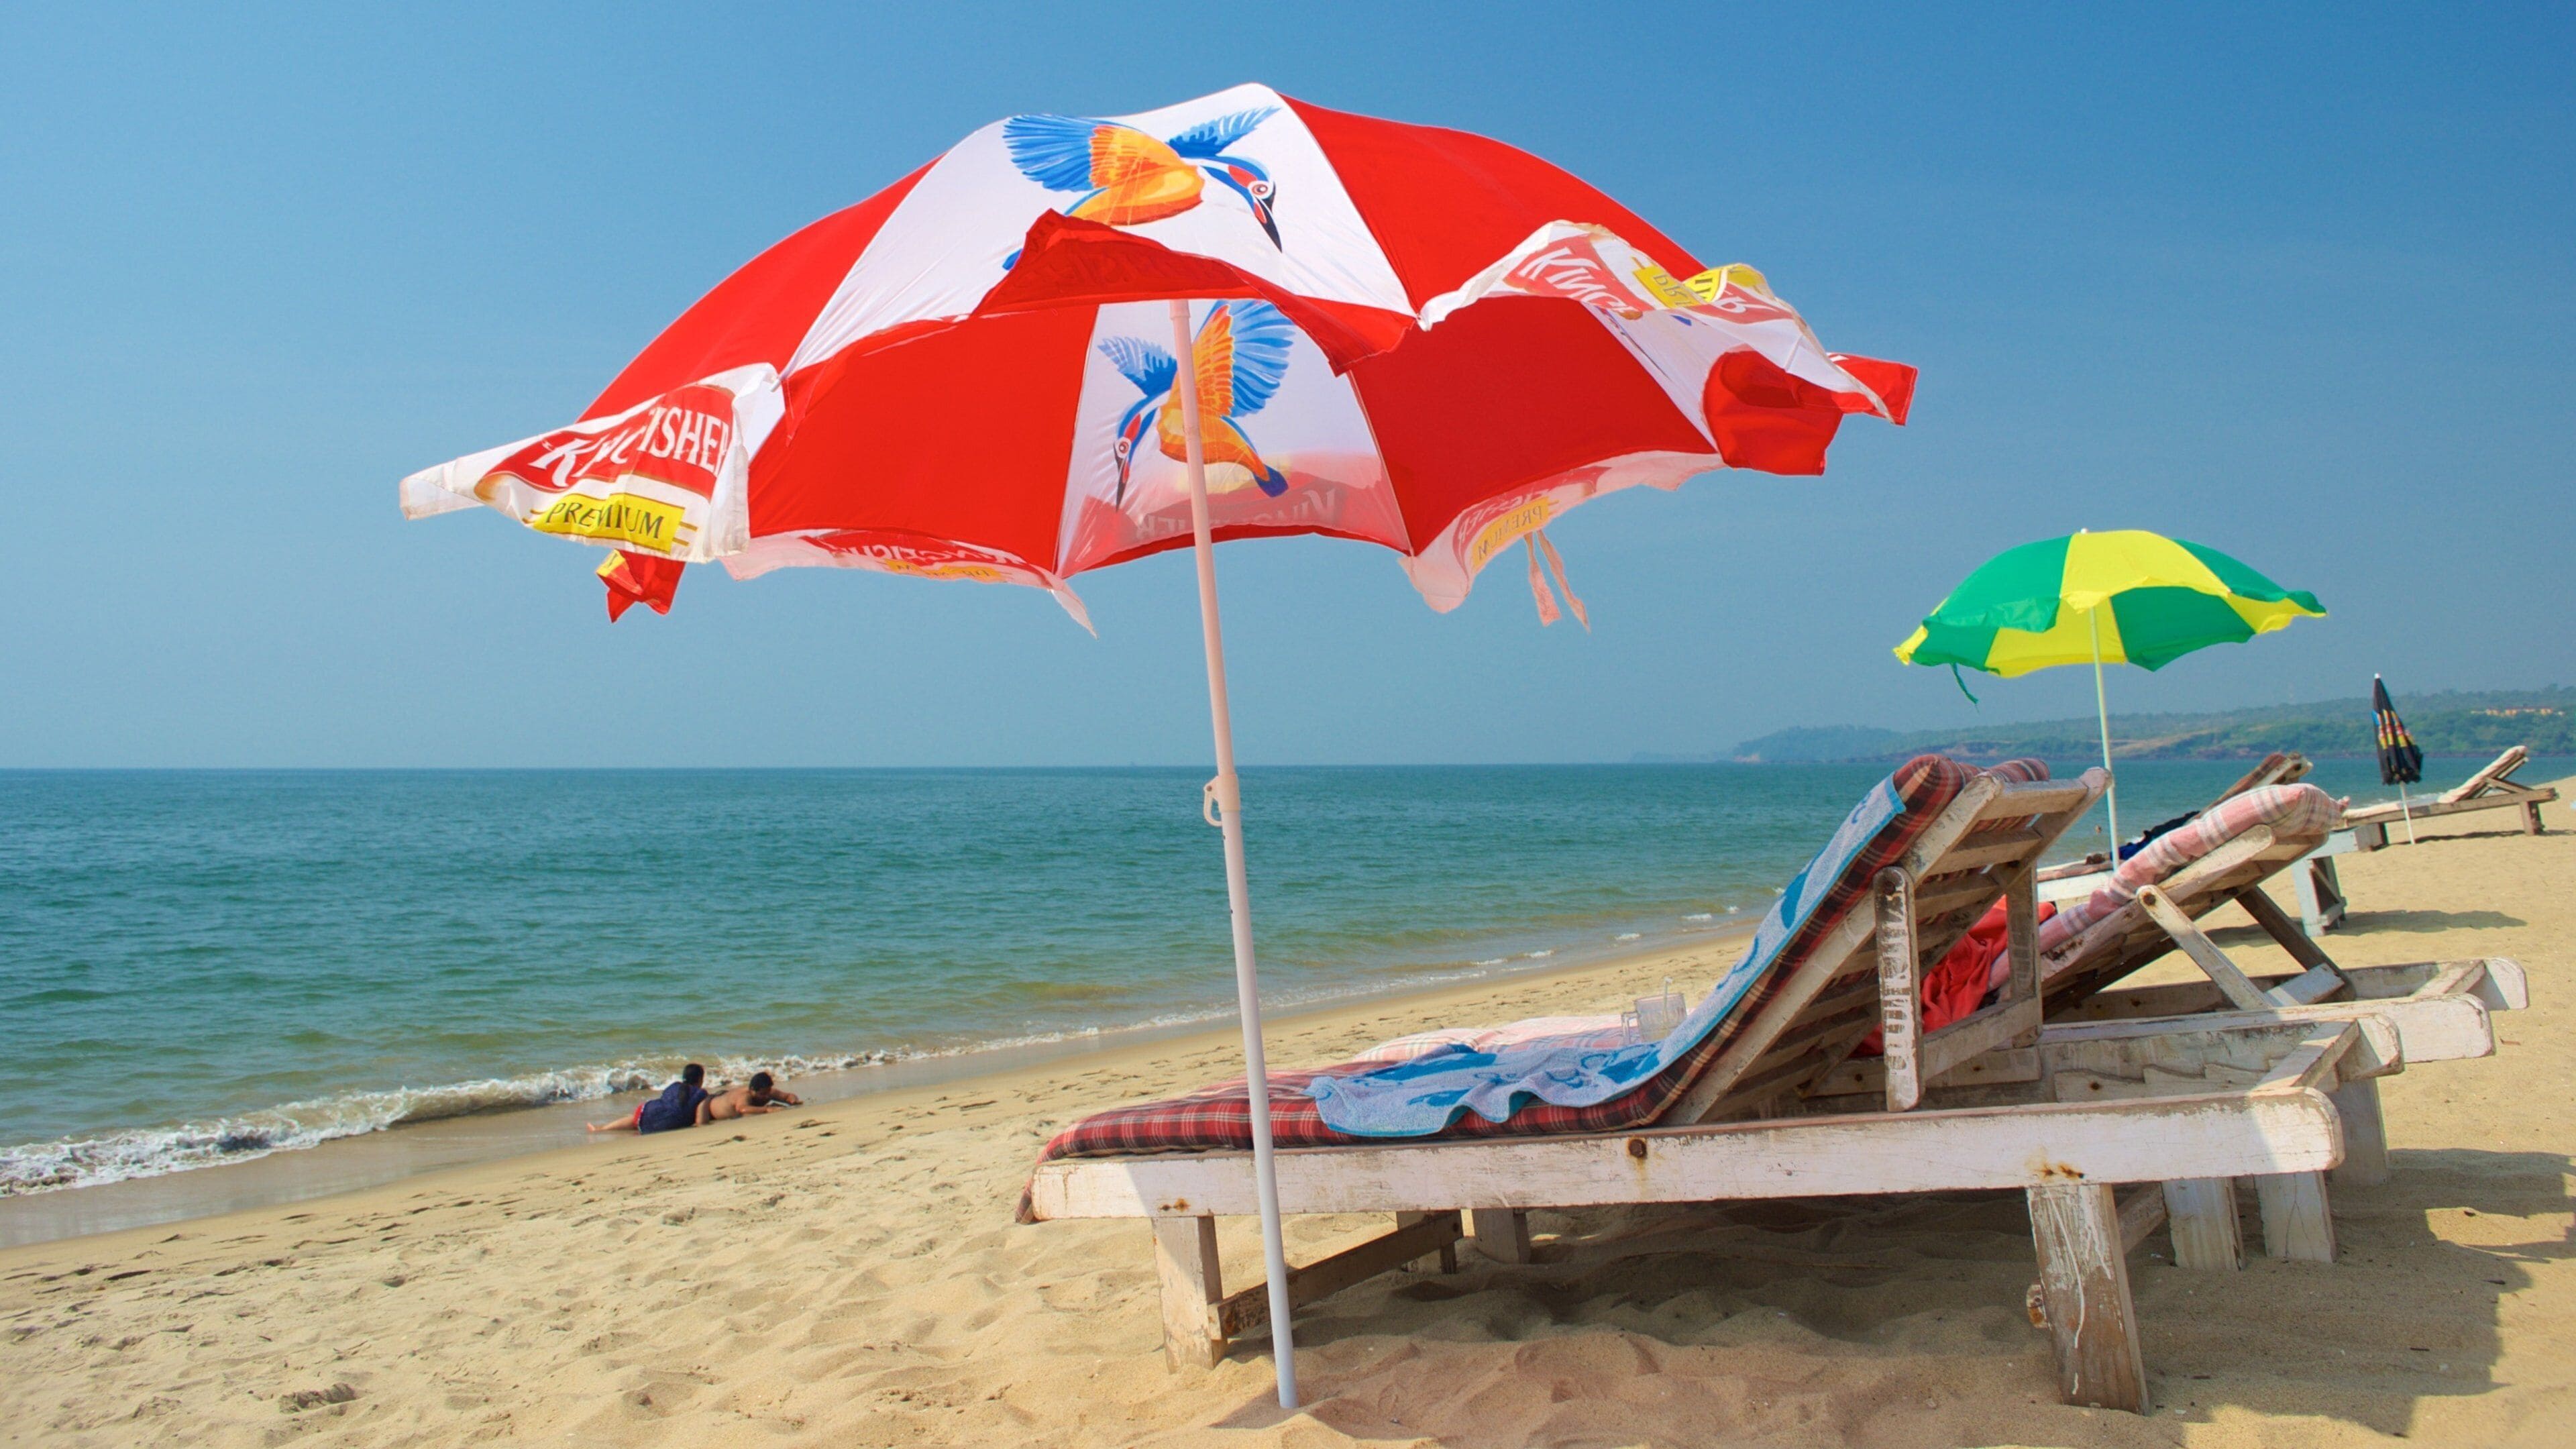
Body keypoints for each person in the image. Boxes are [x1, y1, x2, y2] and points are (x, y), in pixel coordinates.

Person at [587, 1063, 711, 1134]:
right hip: (666, 1122)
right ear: (700, 1079)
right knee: (634, 1122)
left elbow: (666, 1100)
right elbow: (700, 1120)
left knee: (634, 1120)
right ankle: (601, 1128)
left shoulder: (674, 1086)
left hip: (649, 1110)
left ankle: (601, 1128)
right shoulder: (701, 1093)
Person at [703, 1071, 802, 1122]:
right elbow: (742, 1109)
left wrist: (793, 1101)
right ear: (752, 1090)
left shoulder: (767, 1091)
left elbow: (788, 1096)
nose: (766, 1096)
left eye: (768, 1092)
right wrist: (767, 1109)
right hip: (711, 1107)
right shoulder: (745, 1095)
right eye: (762, 1094)